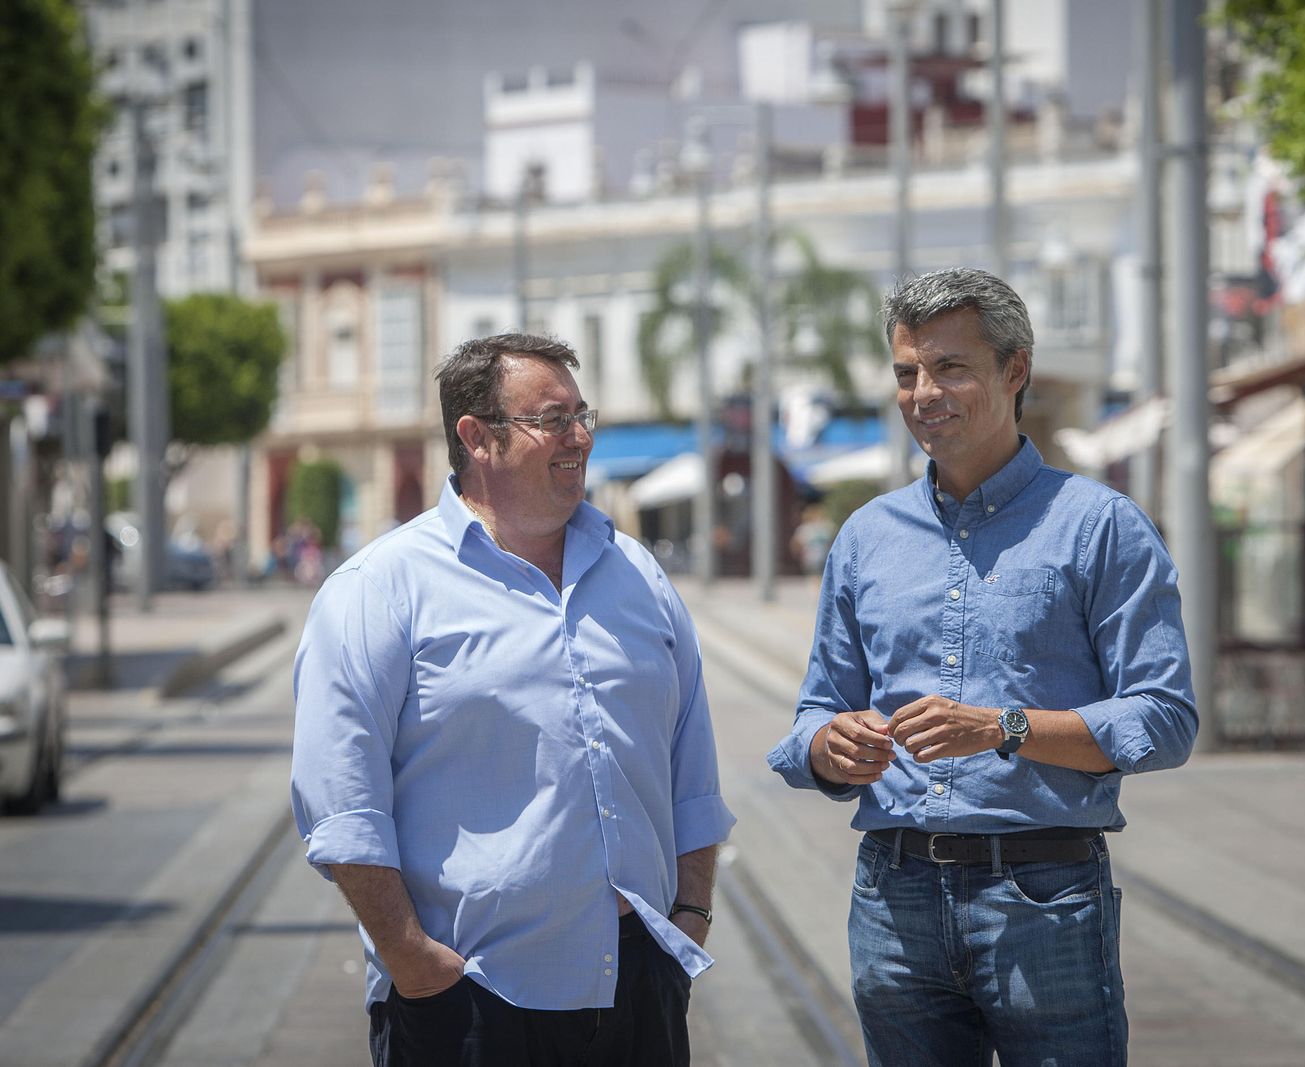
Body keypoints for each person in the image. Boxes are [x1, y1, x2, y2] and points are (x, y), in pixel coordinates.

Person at [766, 268, 1197, 1066]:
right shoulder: (865, 537)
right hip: (892, 898)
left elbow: (1164, 720)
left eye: (950, 367)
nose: (924, 392)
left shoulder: (1102, 527)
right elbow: (812, 716)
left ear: (1015, 370)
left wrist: (1002, 728)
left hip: (1045, 899)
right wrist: (831, 747)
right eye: (906, 372)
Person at [291, 333, 735, 1067]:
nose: (581, 437)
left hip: (637, 984)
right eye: (553, 419)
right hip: (471, 998)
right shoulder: (379, 588)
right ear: (476, 438)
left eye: (582, 414)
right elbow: (340, 805)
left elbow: (693, 766)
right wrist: (414, 962)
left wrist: (689, 913)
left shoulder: (638, 574)